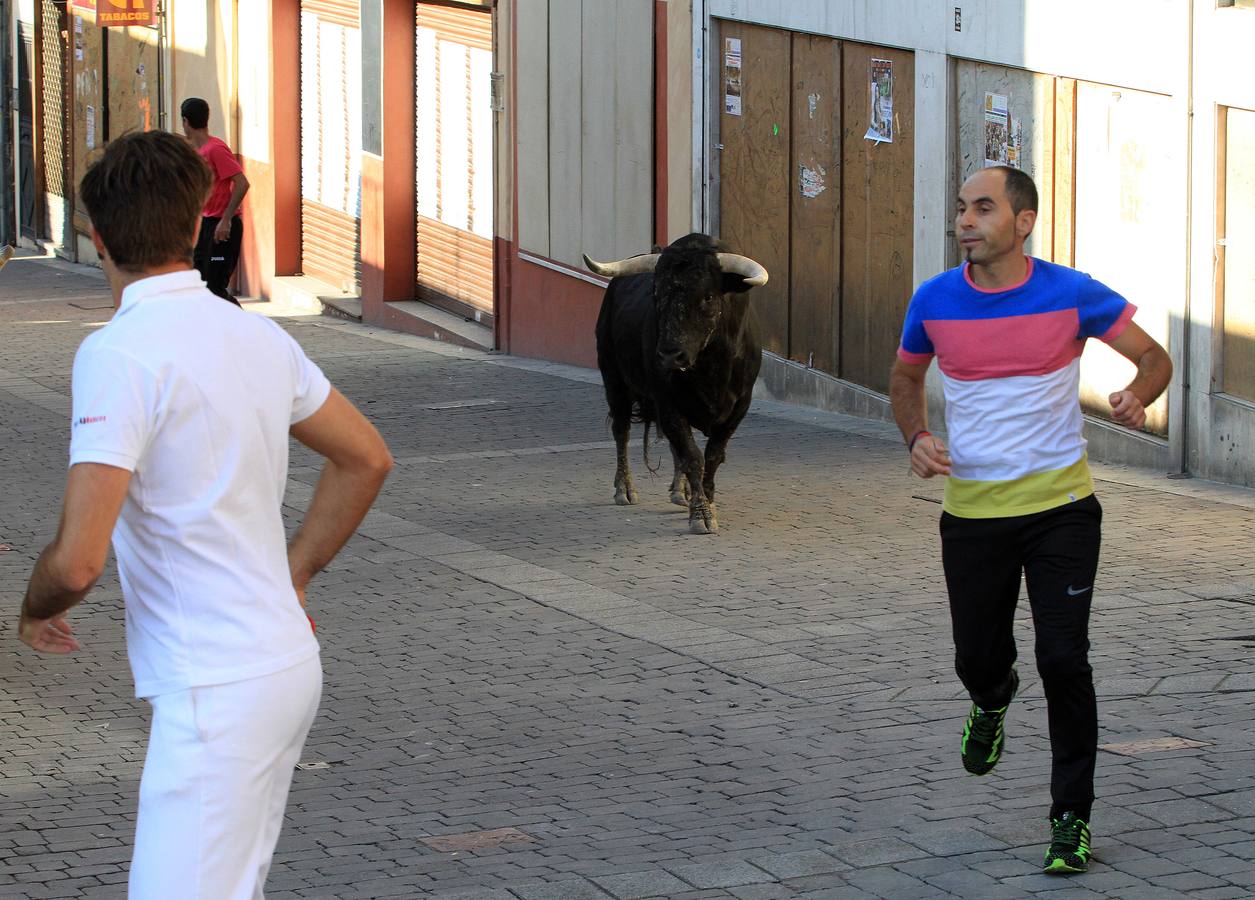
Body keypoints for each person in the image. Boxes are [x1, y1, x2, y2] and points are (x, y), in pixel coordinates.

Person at [16, 130, 394, 898]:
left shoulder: (118, 355)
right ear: (196, 224)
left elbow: (79, 560)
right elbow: (365, 458)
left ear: (95, 239)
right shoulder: (255, 334)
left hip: (216, 688)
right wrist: (294, 576)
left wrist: (33, 605)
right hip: (281, 666)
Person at [888, 166, 1172, 875]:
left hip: (1062, 514)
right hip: (973, 515)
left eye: (982, 208)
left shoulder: (1070, 294)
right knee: (977, 660)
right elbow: (904, 377)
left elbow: (1154, 357)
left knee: (1063, 658)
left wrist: (1137, 394)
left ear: (1022, 222)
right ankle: (990, 699)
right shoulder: (933, 301)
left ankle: (1069, 819)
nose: (964, 221)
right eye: (960, 208)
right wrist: (916, 437)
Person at [181, 97, 249, 304]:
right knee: (198, 284)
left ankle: (245, 329)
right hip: (206, 226)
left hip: (223, 228)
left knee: (214, 288)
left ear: (185, 121)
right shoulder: (198, 151)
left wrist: (226, 220)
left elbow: (242, 183)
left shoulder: (215, 149)